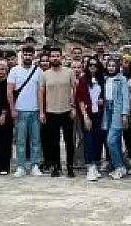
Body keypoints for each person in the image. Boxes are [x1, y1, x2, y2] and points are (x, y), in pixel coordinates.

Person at [40, 48, 77, 177]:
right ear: (50, 58)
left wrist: (74, 107)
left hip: (66, 110)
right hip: (51, 111)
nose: (55, 58)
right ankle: (56, 166)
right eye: (53, 56)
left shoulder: (69, 72)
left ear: (61, 57)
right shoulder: (45, 74)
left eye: (57, 56)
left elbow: (74, 90)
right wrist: (42, 112)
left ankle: (70, 166)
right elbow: (42, 94)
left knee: (69, 141)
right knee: (53, 141)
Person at [8, 45, 44, 177]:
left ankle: (35, 165)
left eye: (30, 54)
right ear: (21, 56)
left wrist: (41, 111)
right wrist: (12, 108)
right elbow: (9, 91)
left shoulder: (38, 71)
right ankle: (21, 166)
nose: (28, 57)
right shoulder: (14, 71)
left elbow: (40, 92)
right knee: (20, 140)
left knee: (36, 140)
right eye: (25, 54)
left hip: (34, 110)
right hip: (20, 110)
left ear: (34, 56)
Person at [76, 57, 106, 181]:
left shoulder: (101, 80)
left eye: (95, 65)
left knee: (98, 138)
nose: (93, 67)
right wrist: (85, 116)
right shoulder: (83, 80)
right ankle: (90, 165)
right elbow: (81, 99)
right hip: (87, 113)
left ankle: (97, 162)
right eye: (90, 65)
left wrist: (102, 101)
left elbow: (104, 95)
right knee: (88, 138)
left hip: (99, 113)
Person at [101, 57, 131, 179]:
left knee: (111, 140)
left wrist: (124, 114)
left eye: (113, 65)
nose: (111, 68)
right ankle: (119, 164)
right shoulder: (105, 79)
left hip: (117, 110)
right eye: (109, 65)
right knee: (116, 141)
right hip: (106, 109)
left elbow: (125, 97)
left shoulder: (122, 79)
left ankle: (119, 166)